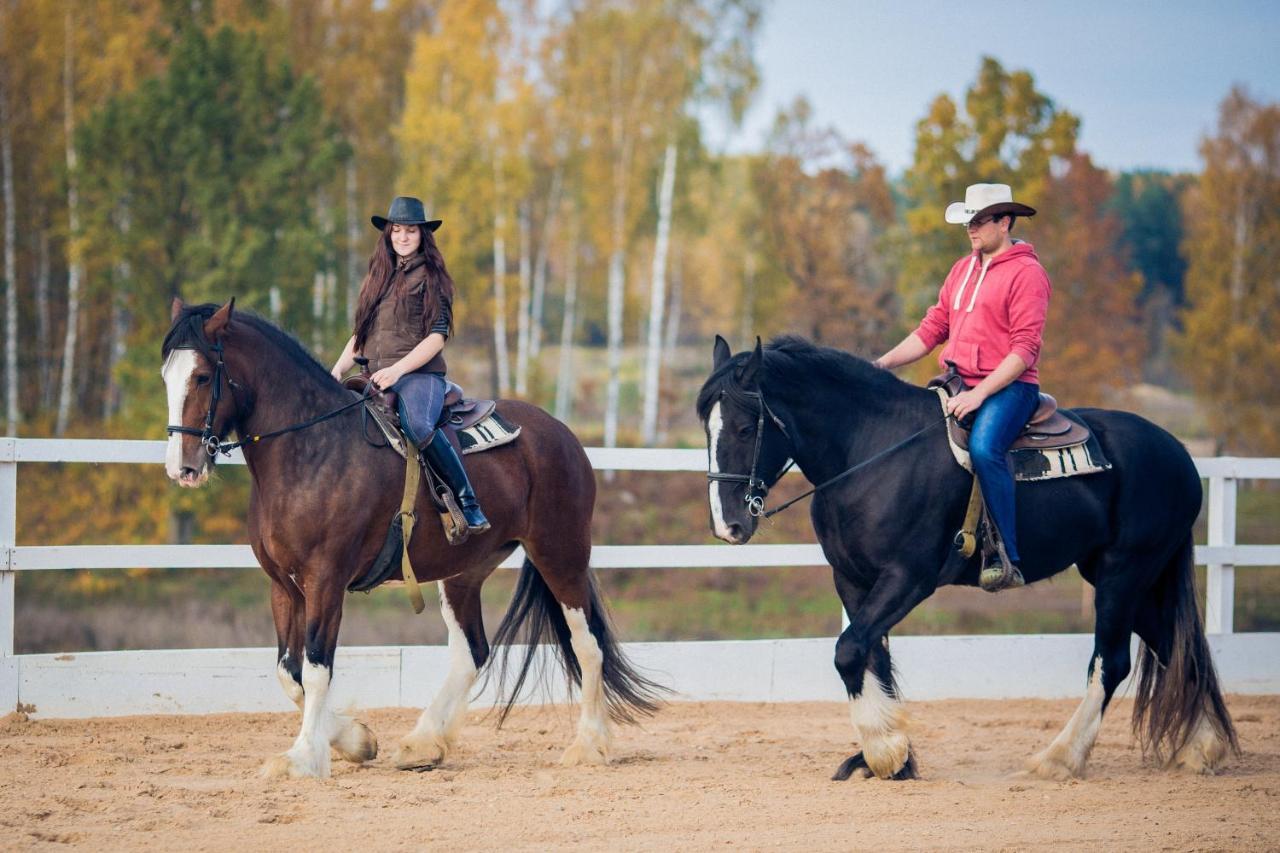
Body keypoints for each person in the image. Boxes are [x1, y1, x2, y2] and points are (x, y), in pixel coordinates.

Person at [873, 183, 1051, 591]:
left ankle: (1005, 554)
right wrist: (882, 364)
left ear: (1005, 221)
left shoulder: (1028, 274)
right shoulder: (962, 269)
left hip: (1009, 387)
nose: (970, 228)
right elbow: (932, 329)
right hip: (956, 381)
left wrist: (980, 393)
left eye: (980, 220)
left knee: (986, 448)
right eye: (967, 220)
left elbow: (1025, 349)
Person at [331, 196, 490, 536]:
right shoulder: (377, 277)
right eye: (397, 230)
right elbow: (361, 334)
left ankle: (468, 502)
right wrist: (335, 370)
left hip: (418, 376)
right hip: (373, 374)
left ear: (422, 236)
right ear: (388, 234)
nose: (403, 237)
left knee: (417, 425)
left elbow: (437, 336)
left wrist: (399, 370)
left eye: (411, 231)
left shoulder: (431, 277)